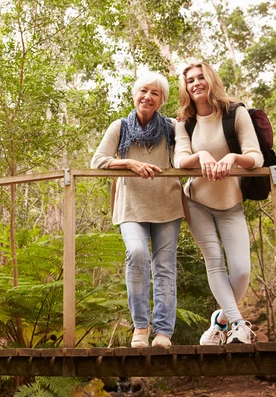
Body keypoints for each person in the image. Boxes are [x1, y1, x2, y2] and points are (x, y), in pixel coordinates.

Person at [91, 72, 184, 348]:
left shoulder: (171, 127)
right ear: (135, 94)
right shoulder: (119, 127)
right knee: (137, 253)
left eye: (155, 93)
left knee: (165, 267)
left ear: (162, 100)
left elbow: (186, 153)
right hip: (131, 205)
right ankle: (141, 328)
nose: (148, 97)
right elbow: (98, 160)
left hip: (167, 203)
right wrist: (129, 164)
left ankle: (164, 333)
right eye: (144, 91)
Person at [174, 62, 264, 345]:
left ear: (211, 79)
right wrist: (201, 156)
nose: (196, 83)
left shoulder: (235, 113)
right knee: (214, 262)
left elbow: (256, 156)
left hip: (231, 203)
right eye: (190, 80)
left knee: (241, 270)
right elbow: (179, 160)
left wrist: (232, 158)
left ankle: (220, 321)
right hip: (196, 201)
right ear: (185, 87)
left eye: (201, 77)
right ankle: (238, 325)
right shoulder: (184, 122)